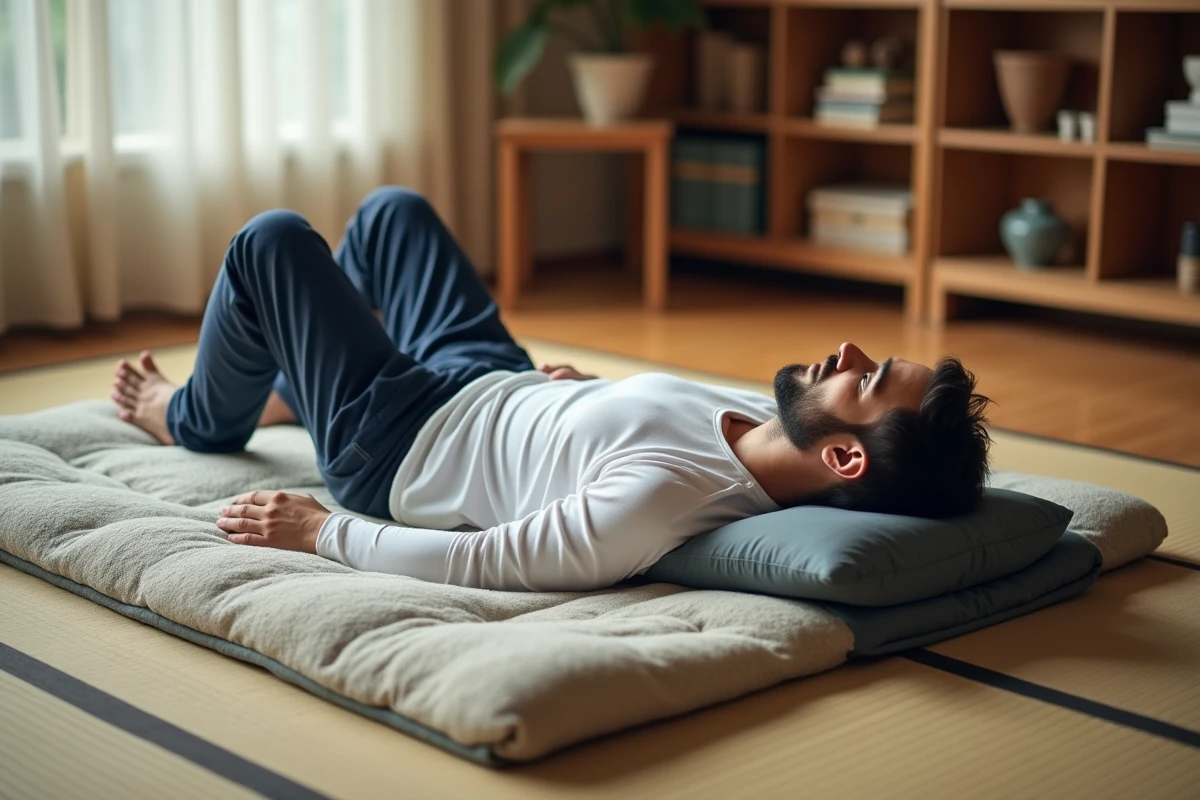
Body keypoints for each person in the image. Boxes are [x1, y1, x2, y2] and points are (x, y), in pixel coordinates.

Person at [112, 187, 992, 592]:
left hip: (398, 442)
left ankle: (194, 418)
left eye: (866, 378)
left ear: (844, 454)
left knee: (269, 243)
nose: (845, 349)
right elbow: (621, 425)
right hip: (497, 375)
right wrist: (576, 396)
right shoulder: (761, 419)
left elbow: (483, 560)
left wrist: (322, 531)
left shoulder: (664, 499)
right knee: (392, 215)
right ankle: (303, 380)